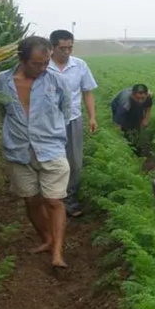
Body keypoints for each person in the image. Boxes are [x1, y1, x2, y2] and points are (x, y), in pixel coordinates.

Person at [0, 36, 71, 268]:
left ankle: (58, 253)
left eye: (46, 62)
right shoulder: (2, 81)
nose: (42, 68)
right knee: (31, 200)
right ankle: (47, 239)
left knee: (54, 200)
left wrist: (51, 133)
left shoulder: (56, 80)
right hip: (18, 150)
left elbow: (65, 111)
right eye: (36, 63)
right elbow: (3, 111)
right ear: (21, 59)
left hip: (50, 148)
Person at [48, 30, 98, 217]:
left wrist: (92, 117)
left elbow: (87, 92)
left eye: (70, 47)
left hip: (73, 119)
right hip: (48, 123)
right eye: (62, 48)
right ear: (52, 47)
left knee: (74, 162)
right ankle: (51, 199)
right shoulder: (43, 66)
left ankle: (69, 199)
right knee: (50, 160)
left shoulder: (79, 65)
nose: (67, 52)